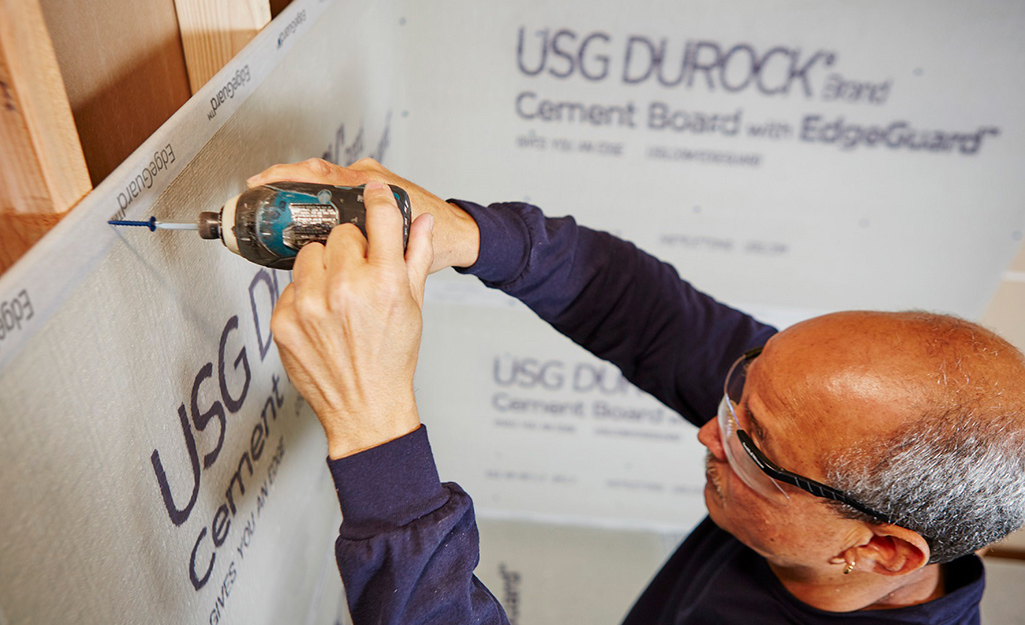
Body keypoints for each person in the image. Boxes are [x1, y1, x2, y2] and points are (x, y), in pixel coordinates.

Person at [248, 158, 1025, 624]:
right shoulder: (823, 425)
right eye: (740, 384)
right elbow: (644, 312)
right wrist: (458, 234)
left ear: (878, 549)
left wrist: (375, 428)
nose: (709, 432)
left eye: (751, 447)